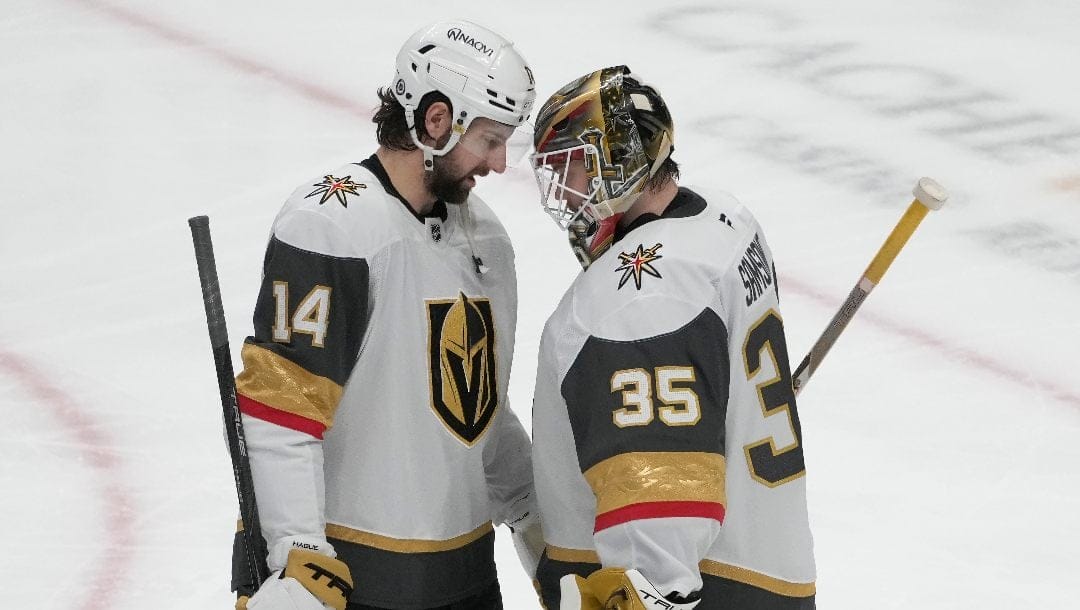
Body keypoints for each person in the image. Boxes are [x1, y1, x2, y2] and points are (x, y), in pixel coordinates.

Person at [230, 20, 544, 610]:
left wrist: (532, 516)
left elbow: (479, 409)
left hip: (468, 581)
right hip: (351, 584)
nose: (500, 163)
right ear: (436, 121)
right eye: (490, 139)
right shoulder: (331, 223)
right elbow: (283, 407)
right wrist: (296, 553)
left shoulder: (486, 239)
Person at [527, 66, 816, 609]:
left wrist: (650, 590)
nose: (567, 195)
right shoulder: (723, 217)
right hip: (771, 572)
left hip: (705, 590)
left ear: (622, 164)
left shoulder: (639, 297)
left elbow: (657, 523)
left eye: (577, 169)